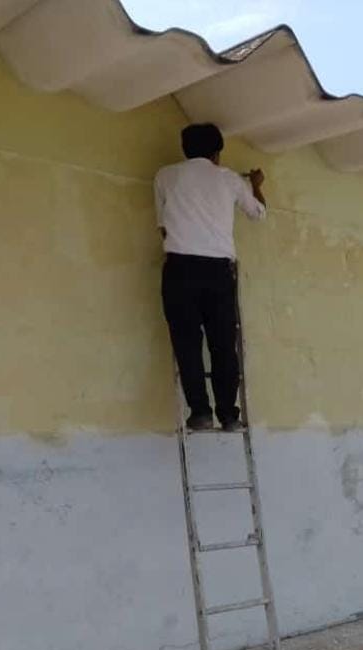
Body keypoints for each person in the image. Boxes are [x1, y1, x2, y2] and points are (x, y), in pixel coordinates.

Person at [154, 123, 267, 432]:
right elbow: (259, 213)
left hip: (179, 269)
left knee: (187, 343)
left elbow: (163, 228)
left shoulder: (165, 176)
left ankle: (200, 413)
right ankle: (229, 416)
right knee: (223, 344)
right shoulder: (229, 179)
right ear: (217, 153)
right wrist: (256, 185)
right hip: (218, 273)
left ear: (185, 150)